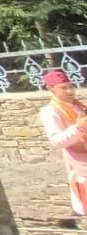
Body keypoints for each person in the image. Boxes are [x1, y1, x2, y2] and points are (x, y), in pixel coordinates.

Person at [40, 68, 87, 216]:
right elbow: (56, 140)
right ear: (51, 89)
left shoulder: (80, 107)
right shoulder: (50, 111)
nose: (69, 91)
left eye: (70, 86)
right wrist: (79, 128)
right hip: (80, 164)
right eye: (63, 88)